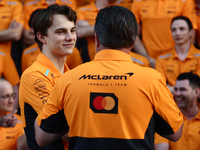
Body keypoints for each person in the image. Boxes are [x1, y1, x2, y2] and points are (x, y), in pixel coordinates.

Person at [34, 6, 183, 150]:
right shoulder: (152, 79)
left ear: (96, 39)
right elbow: (175, 133)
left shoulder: (68, 79)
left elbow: (41, 137)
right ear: (133, 42)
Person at [19, 5, 77, 150]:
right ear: (41, 37)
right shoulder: (34, 75)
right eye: (61, 32)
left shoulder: (70, 74)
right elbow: (59, 128)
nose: (70, 37)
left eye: (72, 30)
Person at [131, 0, 197, 68]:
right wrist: (149, 60)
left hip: (177, 61)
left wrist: (181, 58)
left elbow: (190, 33)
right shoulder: (138, 1)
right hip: (149, 61)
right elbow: (134, 35)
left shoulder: (185, 1)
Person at [155, 72, 200, 150]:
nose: (177, 94)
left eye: (182, 89)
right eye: (175, 89)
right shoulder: (167, 117)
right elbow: (161, 148)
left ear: (196, 92)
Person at [155, 16, 200, 93]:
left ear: (191, 32)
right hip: (170, 103)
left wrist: (170, 89)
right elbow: (159, 88)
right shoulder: (161, 59)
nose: (177, 33)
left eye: (182, 29)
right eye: (174, 30)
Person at [0, 78, 29, 150]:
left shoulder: (18, 121)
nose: (11, 100)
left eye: (12, 95)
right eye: (6, 96)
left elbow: (21, 146)